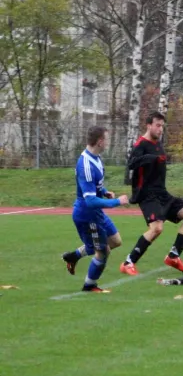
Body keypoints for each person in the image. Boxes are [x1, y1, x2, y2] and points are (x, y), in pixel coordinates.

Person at [121, 111, 183, 276]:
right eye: (157, 125)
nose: (160, 129)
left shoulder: (158, 144)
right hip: (147, 195)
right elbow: (131, 164)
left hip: (162, 194)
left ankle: (174, 256)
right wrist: (152, 158)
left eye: (162, 126)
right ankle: (128, 262)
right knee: (157, 228)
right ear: (149, 125)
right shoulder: (141, 145)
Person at [62, 125, 129, 293]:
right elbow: (90, 201)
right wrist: (116, 202)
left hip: (96, 213)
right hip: (87, 215)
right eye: (106, 139)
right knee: (102, 251)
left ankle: (73, 256)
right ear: (100, 141)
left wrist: (104, 192)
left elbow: (94, 187)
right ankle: (89, 285)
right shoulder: (85, 165)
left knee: (115, 241)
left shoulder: (96, 158)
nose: (107, 142)